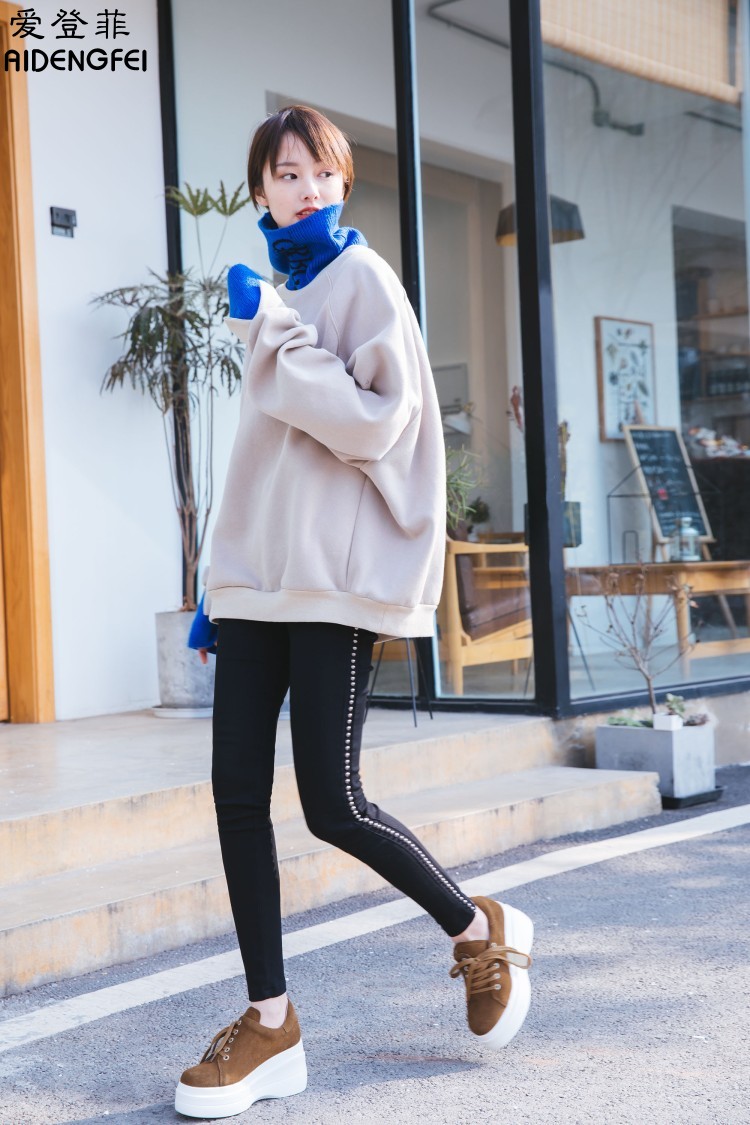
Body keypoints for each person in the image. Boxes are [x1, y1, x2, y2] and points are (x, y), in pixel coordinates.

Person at [174, 105, 534, 1120]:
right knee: (235, 795)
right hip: (259, 587)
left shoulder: (360, 281)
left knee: (331, 801)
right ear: (259, 190)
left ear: (343, 183)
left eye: (319, 172)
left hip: (331, 588)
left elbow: (379, 424)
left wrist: (272, 333)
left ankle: (476, 929)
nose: (304, 189)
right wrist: (219, 586)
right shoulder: (280, 294)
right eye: (285, 174)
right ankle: (270, 1021)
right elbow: (263, 466)